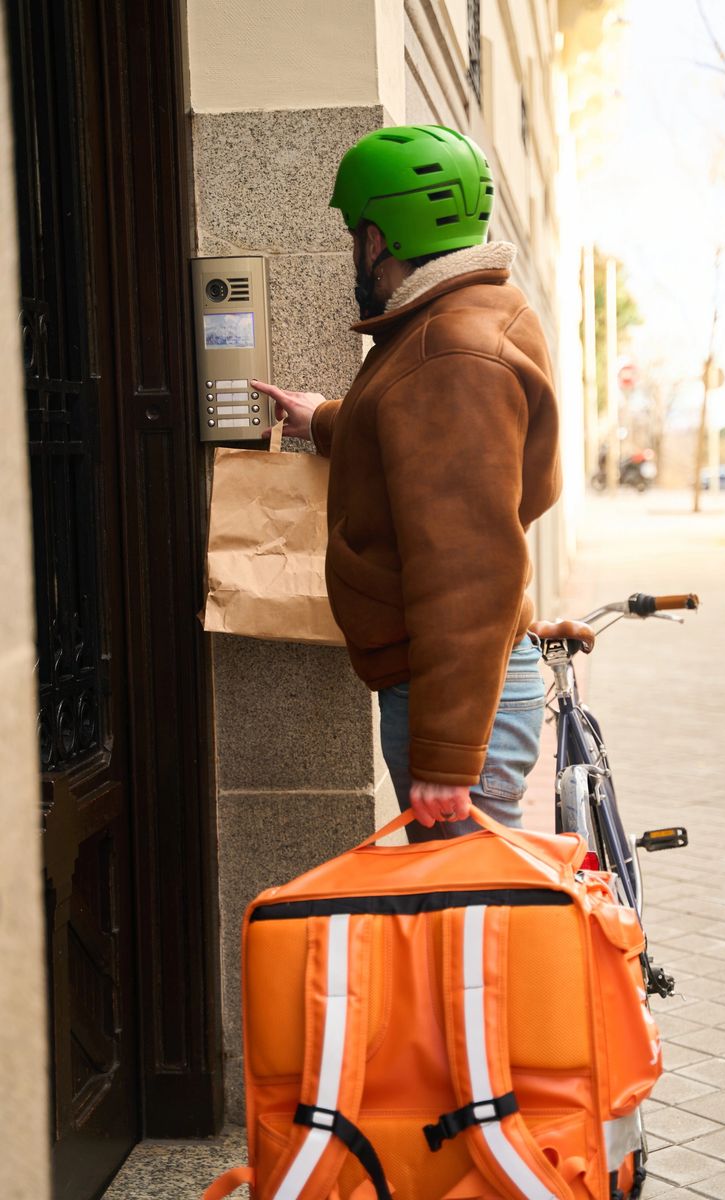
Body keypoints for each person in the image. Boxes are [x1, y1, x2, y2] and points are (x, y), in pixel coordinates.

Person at [251, 125, 561, 842]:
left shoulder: (447, 351)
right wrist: (325, 420)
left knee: (468, 929)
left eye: (356, 233)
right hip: (458, 689)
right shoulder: (470, 315)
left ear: (380, 237)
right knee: (468, 920)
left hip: (450, 701)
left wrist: (447, 758)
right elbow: (427, 456)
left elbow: (468, 565)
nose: (354, 252)